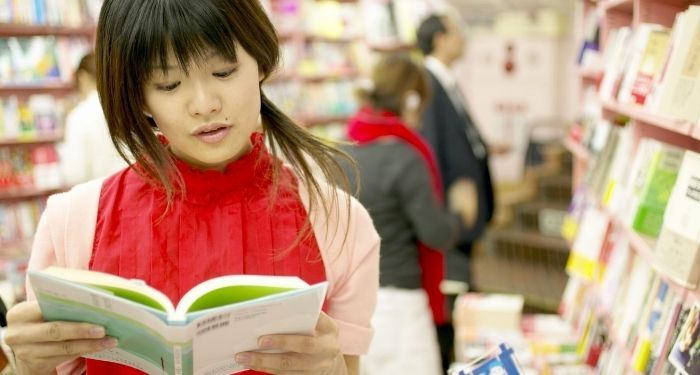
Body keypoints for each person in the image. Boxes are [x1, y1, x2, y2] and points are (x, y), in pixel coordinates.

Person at [3, 1, 380, 374]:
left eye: (224, 71)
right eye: (168, 83)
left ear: (261, 62)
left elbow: (348, 366)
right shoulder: (72, 224)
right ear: (139, 97)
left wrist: (332, 369)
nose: (204, 104)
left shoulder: (338, 222)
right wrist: (26, 367)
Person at [342, 54, 476, 375]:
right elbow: (436, 233)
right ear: (410, 101)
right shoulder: (406, 158)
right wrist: (461, 214)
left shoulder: (341, 154)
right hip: (400, 307)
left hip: (351, 303)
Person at [417, 14, 497, 370]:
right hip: (451, 218)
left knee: (462, 293)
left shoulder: (445, 81)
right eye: (456, 31)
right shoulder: (429, 83)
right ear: (439, 39)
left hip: (461, 216)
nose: (462, 38)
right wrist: (447, 217)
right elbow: (433, 150)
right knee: (454, 294)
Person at [60, 52, 126, 186]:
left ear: (82, 77)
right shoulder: (124, 107)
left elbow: (74, 174)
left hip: (99, 198)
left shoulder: (78, 116)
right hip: (131, 192)